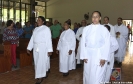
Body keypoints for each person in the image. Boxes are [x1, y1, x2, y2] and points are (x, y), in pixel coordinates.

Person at [80, 11, 110, 84]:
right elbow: (83, 43)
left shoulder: (104, 29)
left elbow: (107, 44)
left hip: (99, 55)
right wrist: (84, 56)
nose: (94, 18)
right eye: (93, 16)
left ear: (100, 18)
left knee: (98, 76)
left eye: (96, 17)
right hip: (88, 55)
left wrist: (104, 58)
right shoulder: (86, 29)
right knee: (88, 74)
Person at [27, 16, 53, 84]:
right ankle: (40, 74)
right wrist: (29, 48)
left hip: (43, 47)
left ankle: (40, 77)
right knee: (36, 62)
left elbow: (48, 39)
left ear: (43, 21)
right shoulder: (35, 29)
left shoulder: (46, 29)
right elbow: (32, 39)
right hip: (36, 47)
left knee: (41, 62)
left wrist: (49, 49)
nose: (37, 21)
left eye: (39, 20)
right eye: (37, 20)